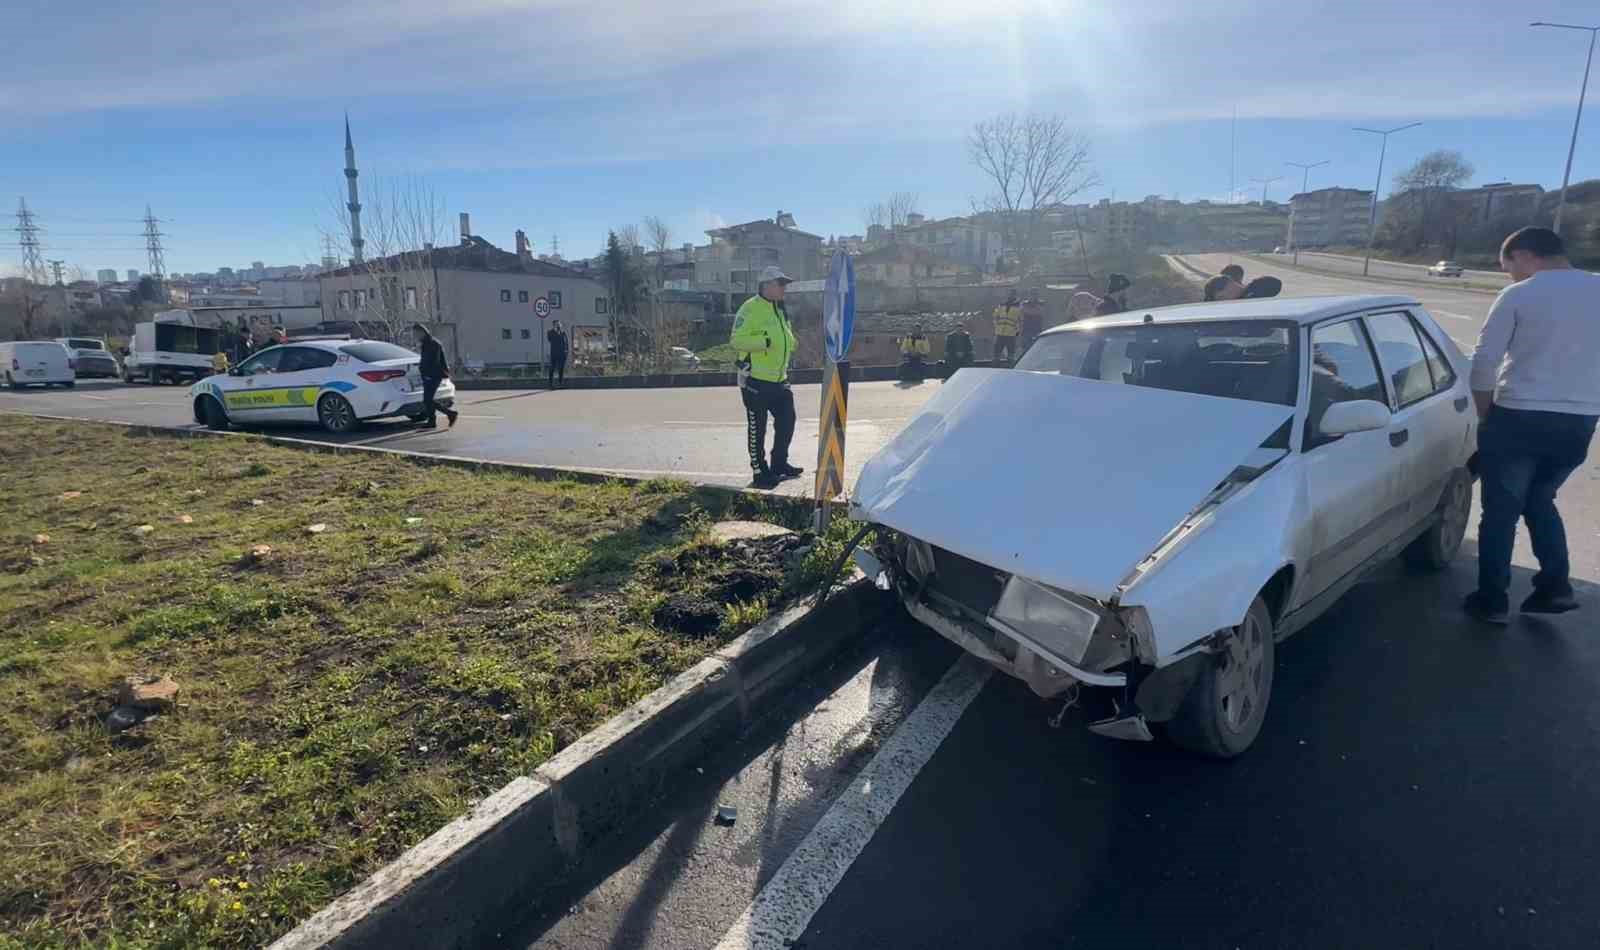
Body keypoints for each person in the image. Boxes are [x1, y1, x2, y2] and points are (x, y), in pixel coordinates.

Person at [1463, 226, 1600, 623]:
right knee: (1540, 499)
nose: (1509, 276)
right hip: (1578, 422)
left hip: (1518, 417)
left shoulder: (1520, 295)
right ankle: (1555, 588)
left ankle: (1492, 600)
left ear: (1523, 255)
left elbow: (1484, 362)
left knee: (1501, 511)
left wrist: (1484, 414)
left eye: (1508, 267)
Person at [731, 266, 801, 489]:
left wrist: (791, 343)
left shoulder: (780, 308)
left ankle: (779, 464)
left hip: (779, 379)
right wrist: (766, 342)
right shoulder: (750, 308)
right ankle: (760, 472)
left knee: (787, 421)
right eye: (781, 284)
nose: (784, 289)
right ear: (767, 285)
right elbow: (737, 340)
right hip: (756, 381)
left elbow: (786, 335)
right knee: (757, 429)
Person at [412, 323, 459, 429]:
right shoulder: (426, 343)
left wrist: (428, 374)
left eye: (416, 333)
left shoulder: (433, 343)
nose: (415, 336)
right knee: (428, 399)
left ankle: (450, 414)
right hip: (429, 375)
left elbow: (434, 361)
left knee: (427, 400)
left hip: (433, 375)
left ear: (422, 332)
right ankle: (432, 421)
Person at [992, 292, 1022, 362]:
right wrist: (996, 326)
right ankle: (996, 365)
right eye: (1010, 294)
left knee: (1011, 353)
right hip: (1000, 332)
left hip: (1011, 333)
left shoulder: (1019, 306)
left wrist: (1018, 331)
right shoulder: (1002, 305)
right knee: (997, 352)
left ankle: (1010, 365)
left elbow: (1021, 320)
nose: (1011, 296)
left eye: (1012, 294)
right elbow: (995, 316)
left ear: (1015, 296)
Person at [546, 320, 569, 389]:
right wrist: (555, 330)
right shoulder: (550, 332)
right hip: (554, 354)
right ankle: (550, 384)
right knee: (552, 369)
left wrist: (566, 351)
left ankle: (560, 383)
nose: (559, 325)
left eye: (559, 324)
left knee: (561, 369)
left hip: (562, 354)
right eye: (557, 324)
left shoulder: (563, 333)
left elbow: (566, 342)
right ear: (554, 325)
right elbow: (549, 339)